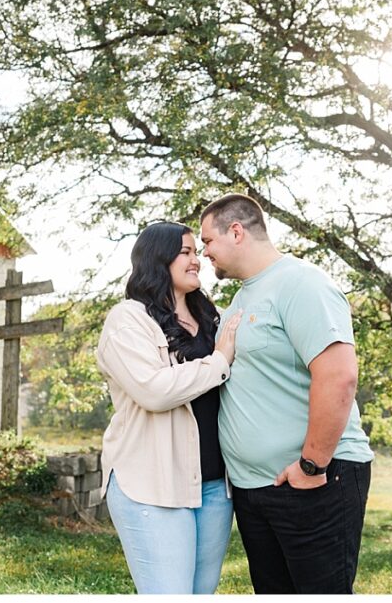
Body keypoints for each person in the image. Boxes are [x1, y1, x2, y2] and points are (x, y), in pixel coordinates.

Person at [199, 194, 374, 595]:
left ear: (237, 231)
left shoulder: (301, 283)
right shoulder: (241, 300)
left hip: (312, 482)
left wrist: (311, 466)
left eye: (208, 241)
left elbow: (339, 376)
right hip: (255, 491)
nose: (205, 252)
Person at [96, 221, 244, 594]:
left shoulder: (213, 318)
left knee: (201, 593)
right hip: (152, 484)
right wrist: (218, 361)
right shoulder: (128, 320)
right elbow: (154, 390)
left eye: (197, 252)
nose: (198, 260)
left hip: (213, 488)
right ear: (158, 259)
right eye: (187, 252)